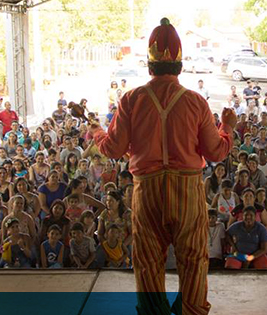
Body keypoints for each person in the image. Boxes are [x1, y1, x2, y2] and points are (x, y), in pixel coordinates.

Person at [90, 18, 234, 315]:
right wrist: (227, 128)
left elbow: (113, 149)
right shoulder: (195, 102)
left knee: (148, 262)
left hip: (148, 191)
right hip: (187, 190)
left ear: (149, 65)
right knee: (194, 259)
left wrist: (97, 133)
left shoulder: (132, 99)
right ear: (180, 65)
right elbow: (217, 152)